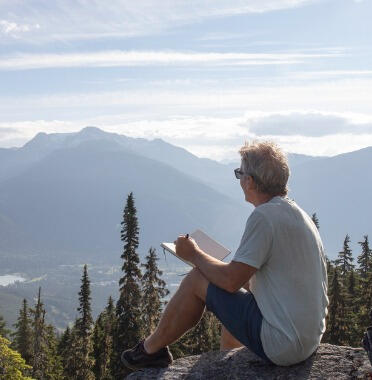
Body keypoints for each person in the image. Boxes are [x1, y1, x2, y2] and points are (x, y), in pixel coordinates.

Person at [121, 140, 328, 369]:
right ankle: (228, 364)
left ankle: (151, 350)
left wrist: (195, 254)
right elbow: (248, 281)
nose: (239, 179)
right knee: (237, 295)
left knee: (196, 280)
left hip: (283, 345)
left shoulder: (264, 217)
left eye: (240, 173)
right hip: (307, 339)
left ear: (249, 181)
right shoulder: (296, 213)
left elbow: (230, 281)